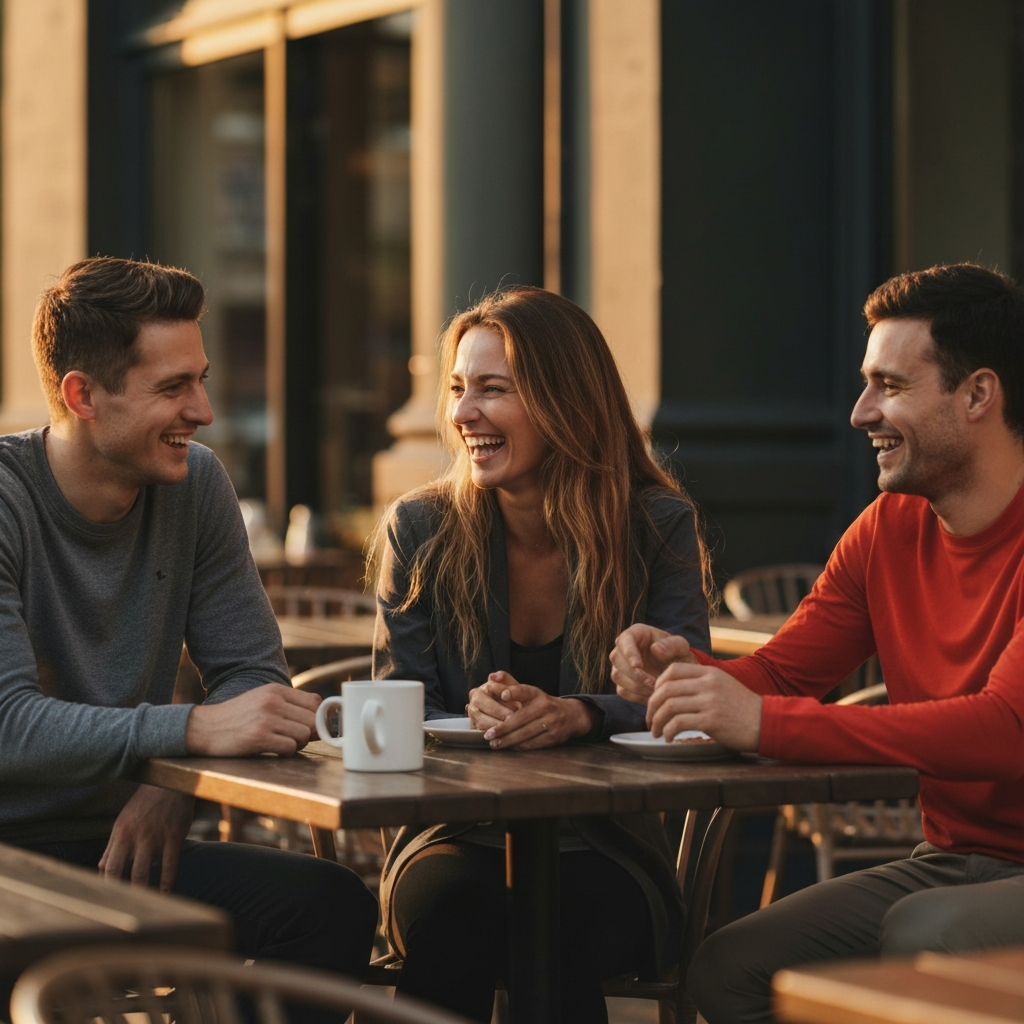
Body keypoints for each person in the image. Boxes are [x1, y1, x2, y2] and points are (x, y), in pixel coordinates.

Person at [610, 262, 1024, 1024]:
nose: (862, 411)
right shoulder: (888, 530)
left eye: (891, 386)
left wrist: (762, 723)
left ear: (977, 396)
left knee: (927, 933)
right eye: (866, 385)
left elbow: (1005, 730)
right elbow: (782, 672)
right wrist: (690, 672)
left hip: (975, 888)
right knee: (728, 970)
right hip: (952, 861)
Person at [0, 258, 378, 1004]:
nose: (204, 411)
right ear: (83, 396)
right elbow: (9, 729)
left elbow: (255, 675)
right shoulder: (8, 502)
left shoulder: (194, 483)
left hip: (118, 838)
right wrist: (189, 733)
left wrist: (170, 782)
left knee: (329, 907)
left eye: (200, 380)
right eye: (173, 388)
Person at [370, 286, 712, 1024]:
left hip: (608, 846)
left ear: (567, 402)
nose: (462, 414)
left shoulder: (657, 525)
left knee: (549, 922)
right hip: (453, 835)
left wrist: (579, 714)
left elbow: (691, 702)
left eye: (494, 390)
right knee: (461, 913)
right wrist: (471, 713)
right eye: (459, 388)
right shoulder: (421, 527)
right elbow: (400, 701)